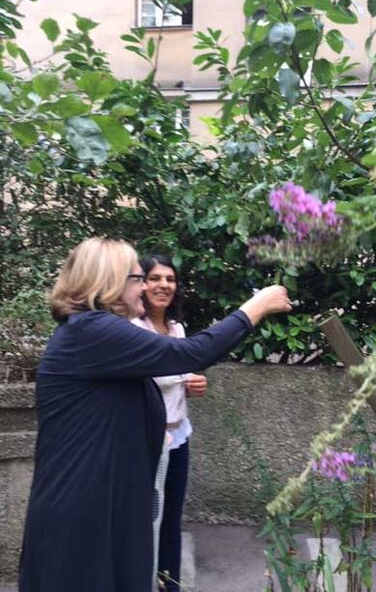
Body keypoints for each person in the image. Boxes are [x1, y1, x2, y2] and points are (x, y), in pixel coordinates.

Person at [19, 237, 291, 592]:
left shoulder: (92, 333)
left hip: (99, 502)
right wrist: (255, 307)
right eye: (138, 278)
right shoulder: (92, 331)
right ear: (110, 282)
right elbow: (193, 351)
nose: (146, 287)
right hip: (82, 509)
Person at [132, 255, 205, 592]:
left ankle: (168, 586)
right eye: (155, 278)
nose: (163, 285)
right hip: (145, 440)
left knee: (172, 519)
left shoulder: (177, 330)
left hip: (179, 436)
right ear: (141, 284)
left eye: (170, 279)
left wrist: (194, 385)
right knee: (144, 520)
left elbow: (180, 379)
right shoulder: (133, 329)